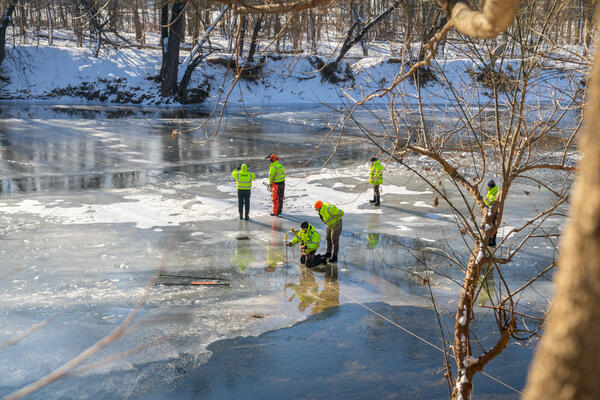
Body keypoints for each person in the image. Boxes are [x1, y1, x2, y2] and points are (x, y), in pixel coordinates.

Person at [484, 179, 499, 247]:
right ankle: (489, 240)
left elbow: (495, 202)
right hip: (489, 210)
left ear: (491, 186)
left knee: (493, 226)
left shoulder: (496, 192)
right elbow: (487, 200)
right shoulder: (490, 191)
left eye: (489, 186)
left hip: (494, 211)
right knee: (488, 225)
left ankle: (493, 241)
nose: (488, 188)